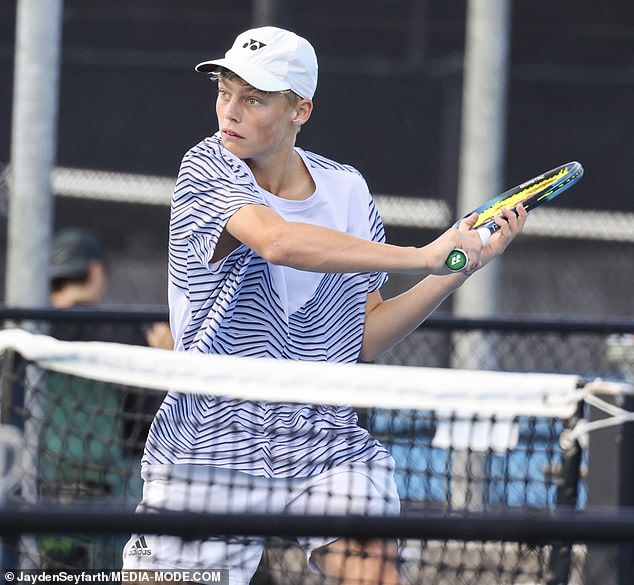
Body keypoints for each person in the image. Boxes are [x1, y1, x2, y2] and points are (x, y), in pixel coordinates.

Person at [122, 26, 527, 585]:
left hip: (322, 438)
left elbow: (362, 334)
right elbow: (278, 242)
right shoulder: (206, 167)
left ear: (300, 110)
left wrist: (454, 270)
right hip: (210, 443)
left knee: (377, 572)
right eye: (224, 91)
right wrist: (422, 254)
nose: (229, 112)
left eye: (254, 98)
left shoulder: (347, 190)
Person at [40, 228, 171, 570]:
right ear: (95, 271)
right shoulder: (119, 333)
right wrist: (165, 356)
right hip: (100, 497)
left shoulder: (27, 330)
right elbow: (145, 416)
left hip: (27, 493)